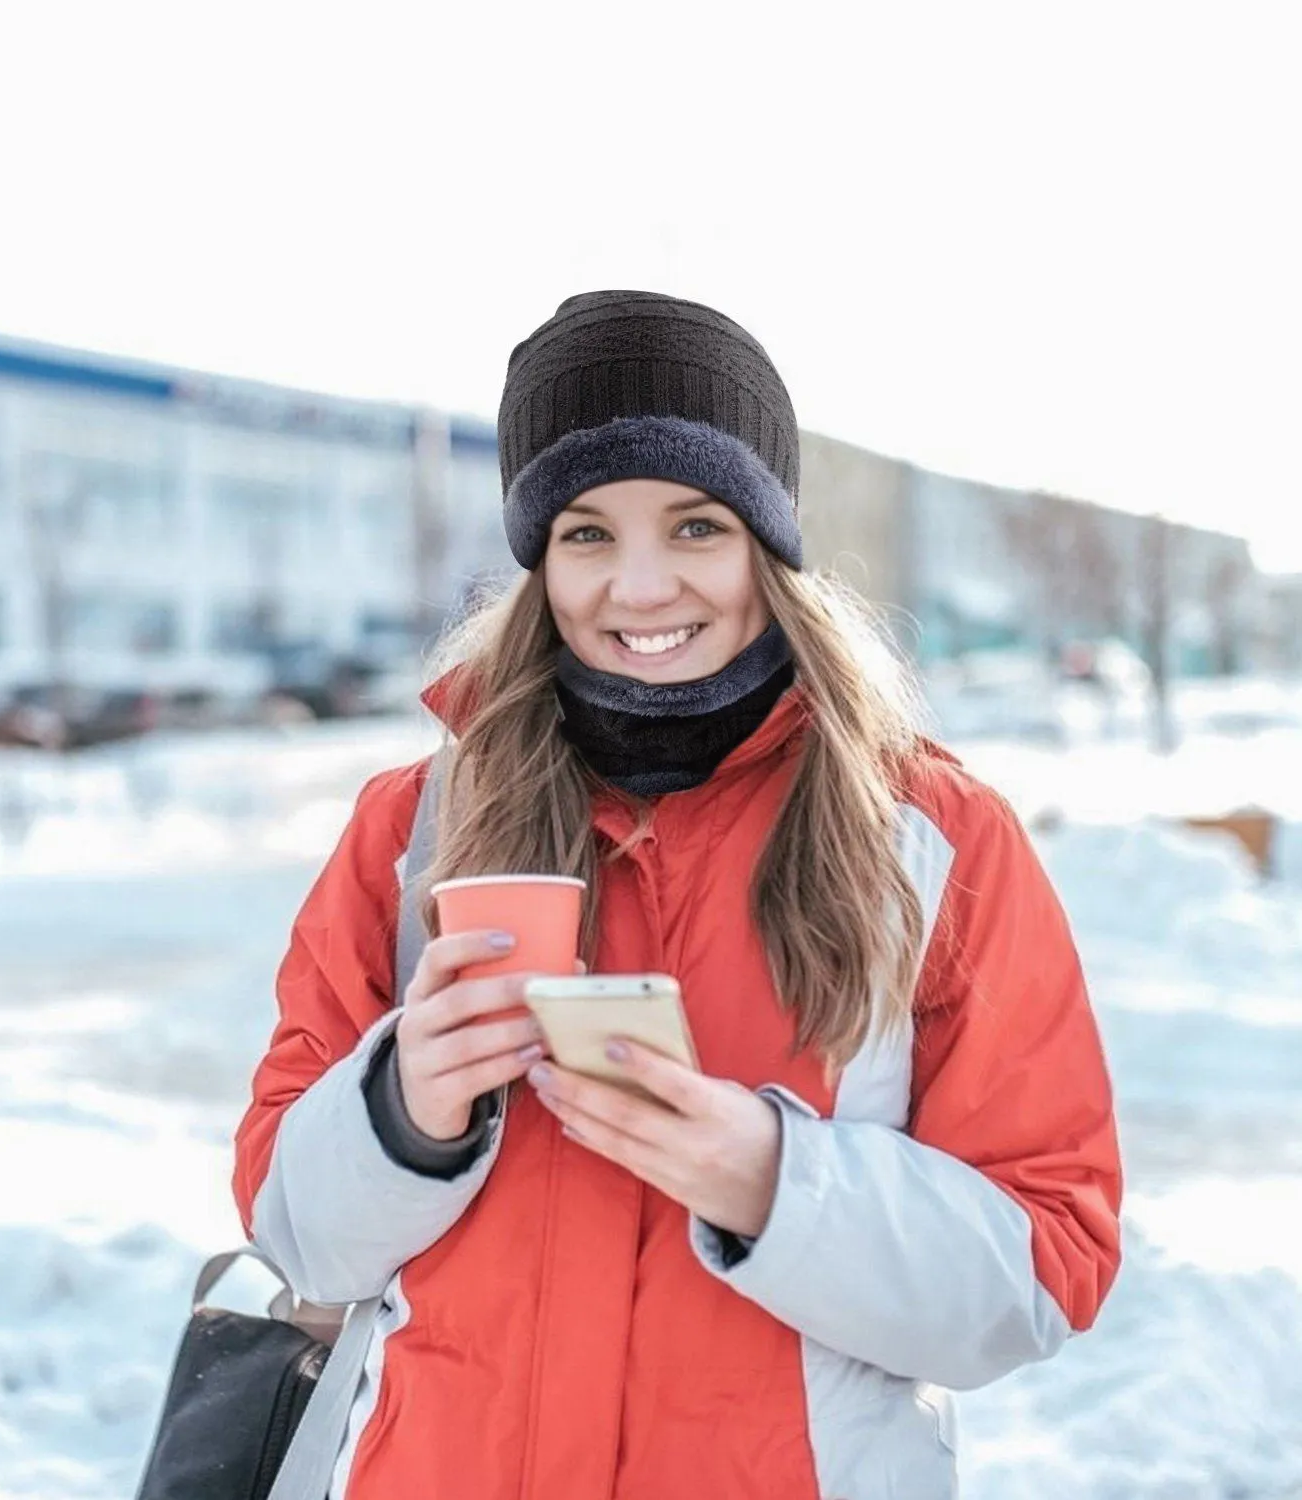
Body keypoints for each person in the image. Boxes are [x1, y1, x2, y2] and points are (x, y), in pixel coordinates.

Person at [233, 290, 1123, 1499]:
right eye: (586, 534)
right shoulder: (413, 827)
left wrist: (772, 1183)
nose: (640, 587)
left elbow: (1040, 1272)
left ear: (771, 543)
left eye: (696, 527)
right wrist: (401, 1111)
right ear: (536, 558)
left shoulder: (934, 841)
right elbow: (291, 1235)